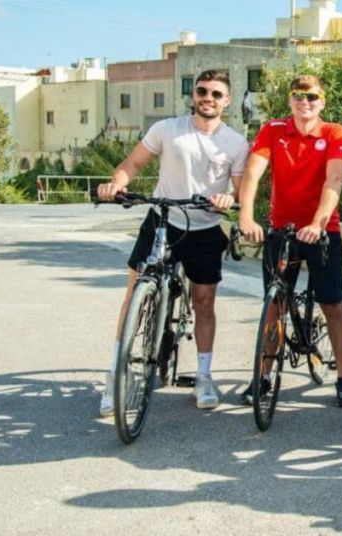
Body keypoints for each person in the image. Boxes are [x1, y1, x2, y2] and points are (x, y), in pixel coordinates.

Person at [97, 69, 248, 414]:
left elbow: (238, 189)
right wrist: (116, 184)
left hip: (205, 228)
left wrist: (227, 197)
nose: (207, 97)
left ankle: (205, 376)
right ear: (193, 95)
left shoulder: (235, 143)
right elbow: (132, 163)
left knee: (204, 301)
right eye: (202, 91)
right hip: (163, 219)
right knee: (135, 289)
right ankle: (115, 374)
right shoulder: (167, 129)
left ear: (226, 101)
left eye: (215, 93)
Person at [237, 74, 342, 407]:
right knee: (273, 306)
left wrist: (318, 223)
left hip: (321, 231)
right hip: (282, 229)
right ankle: (262, 376)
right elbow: (252, 173)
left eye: (312, 97)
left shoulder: (334, 132)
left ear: (323, 101)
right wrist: (245, 216)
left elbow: (334, 180)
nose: (305, 103)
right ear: (290, 100)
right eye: (298, 96)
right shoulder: (274, 130)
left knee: (332, 304)